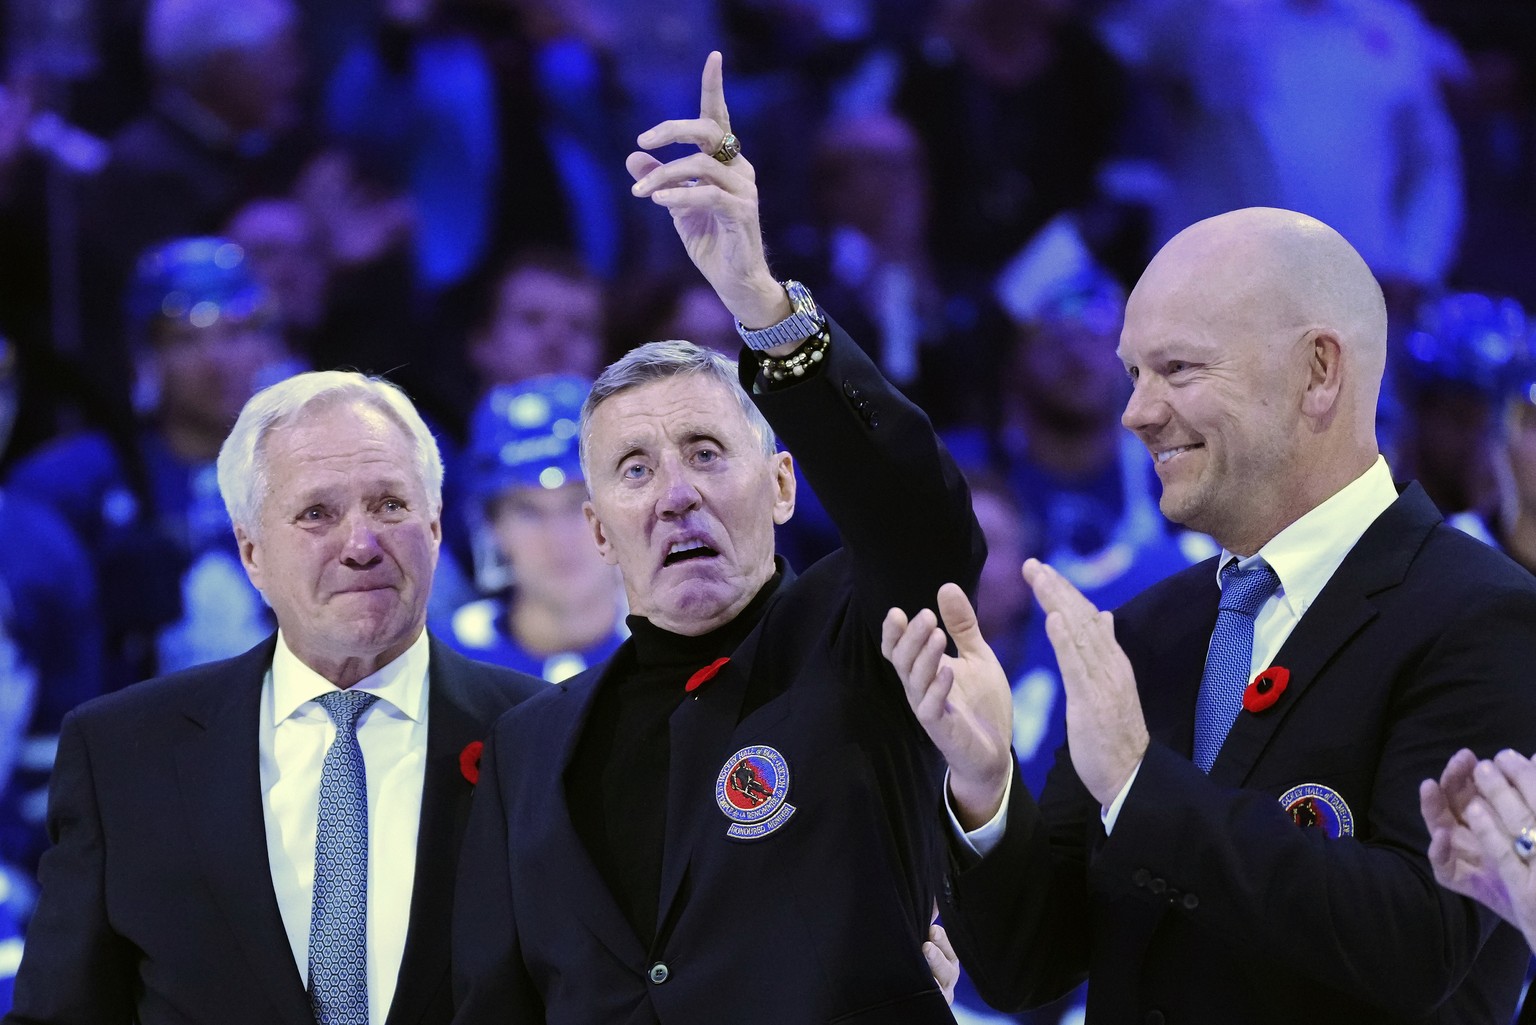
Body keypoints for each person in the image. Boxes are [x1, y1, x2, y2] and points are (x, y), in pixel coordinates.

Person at [882, 206, 1536, 1023]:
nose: (1137, 412)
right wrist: (984, 786)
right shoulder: (1146, 631)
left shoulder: (1486, 617)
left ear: (1318, 372)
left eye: (1178, 369)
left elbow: (1419, 944)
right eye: (1132, 374)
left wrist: (1137, 782)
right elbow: (1031, 966)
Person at [452, 52, 984, 1022]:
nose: (676, 495)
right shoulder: (529, 747)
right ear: (599, 530)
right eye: (636, 469)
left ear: (782, 484)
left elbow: (920, 514)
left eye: (707, 450)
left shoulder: (864, 640)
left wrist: (760, 301)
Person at [5, 370, 545, 1024]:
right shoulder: (120, 756)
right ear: (250, 550)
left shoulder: (544, 738)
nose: (361, 545)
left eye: (389, 505)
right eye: (318, 512)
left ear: (434, 526)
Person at [446, 374, 628, 682]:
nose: (558, 538)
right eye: (527, 512)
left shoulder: (685, 646)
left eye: (577, 503)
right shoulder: (442, 662)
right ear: (490, 526)